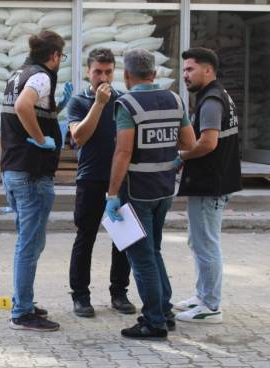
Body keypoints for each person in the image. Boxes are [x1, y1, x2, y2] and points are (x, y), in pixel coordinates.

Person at [104, 49, 196, 340]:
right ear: (154, 74)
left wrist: (112, 193)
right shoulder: (175, 100)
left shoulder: (127, 103)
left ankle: (154, 322)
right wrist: (173, 161)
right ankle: (165, 312)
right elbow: (190, 143)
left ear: (127, 77)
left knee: (141, 259)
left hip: (137, 191)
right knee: (154, 252)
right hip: (165, 188)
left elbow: (123, 151)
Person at [1, 30, 66, 332]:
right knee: (29, 245)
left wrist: (56, 109)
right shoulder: (40, 77)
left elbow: (32, 109)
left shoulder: (17, 74)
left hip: (15, 170)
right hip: (31, 173)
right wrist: (40, 139)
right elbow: (23, 108)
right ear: (54, 56)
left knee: (29, 243)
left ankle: (23, 301)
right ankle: (22, 312)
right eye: (61, 57)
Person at [174, 48, 242, 324]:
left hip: (210, 184)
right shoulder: (217, 95)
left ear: (208, 70)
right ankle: (203, 295)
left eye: (191, 69)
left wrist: (180, 157)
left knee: (206, 244)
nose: (186, 75)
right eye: (185, 70)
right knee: (200, 240)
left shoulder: (212, 100)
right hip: (214, 182)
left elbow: (208, 143)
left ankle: (210, 306)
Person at [66, 48, 135, 318]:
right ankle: (81, 296)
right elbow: (78, 138)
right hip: (90, 179)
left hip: (120, 180)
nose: (103, 77)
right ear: (88, 72)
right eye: (97, 71)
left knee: (122, 241)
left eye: (108, 72)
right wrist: (98, 104)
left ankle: (119, 292)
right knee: (85, 238)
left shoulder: (125, 101)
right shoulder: (79, 102)